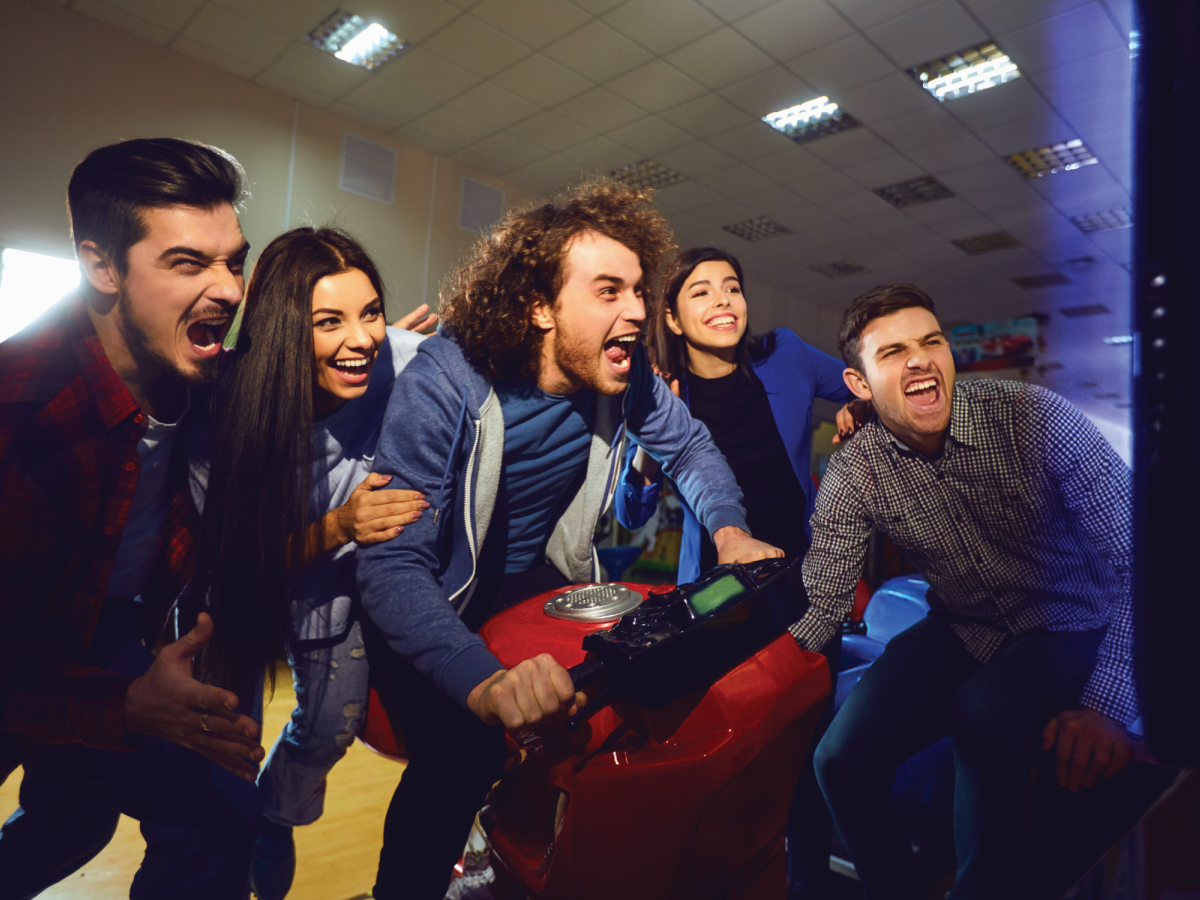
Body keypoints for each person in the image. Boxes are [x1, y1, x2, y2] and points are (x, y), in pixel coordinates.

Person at [356, 179, 784, 900]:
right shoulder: (448, 378)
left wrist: (732, 534)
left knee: (618, 699)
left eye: (640, 291)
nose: (638, 313)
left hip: (528, 577)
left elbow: (691, 451)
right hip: (429, 589)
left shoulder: (622, 373)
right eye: (609, 291)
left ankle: (522, 858)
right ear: (538, 307)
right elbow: (393, 565)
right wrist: (486, 683)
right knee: (460, 757)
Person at [797, 284, 1167, 899]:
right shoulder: (856, 468)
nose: (918, 360)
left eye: (930, 342)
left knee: (984, 711)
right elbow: (824, 602)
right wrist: (751, 669)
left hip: (1070, 620)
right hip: (965, 621)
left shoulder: (1034, 419)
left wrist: (1105, 704)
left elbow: (1143, 560)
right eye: (892, 353)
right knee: (839, 761)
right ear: (859, 385)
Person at [0, 138, 264, 898]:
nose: (227, 289)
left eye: (233, 261)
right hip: (15, 656)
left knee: (193, 818)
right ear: (102, 266)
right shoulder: (26, 418)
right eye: (187, 263)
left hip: (101, 628)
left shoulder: (196, 376)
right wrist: (121, 706)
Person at [184, 227, 432, 900]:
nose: (362, 338)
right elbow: (235, 562)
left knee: (328, 726)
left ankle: (279, 809)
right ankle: (237, 835)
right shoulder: (226, 405)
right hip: (244, 598)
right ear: (287, 329)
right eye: (331, 322)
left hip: (350, 593)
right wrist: (339, 524)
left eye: (371, 312)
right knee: (217, 772)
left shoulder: (400, 357)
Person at [612, 245, 860, 899]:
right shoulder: (663, 397)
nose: (723, 300)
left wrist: (856, 407)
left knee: (807, 749)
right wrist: (643, 455)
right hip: (723, 594)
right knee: (732, 752)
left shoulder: (787, 356)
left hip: (807, 583)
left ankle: (802, 884)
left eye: (732, 288)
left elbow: (865, 385)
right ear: (670, 316)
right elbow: (630, 516)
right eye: (701, 292)